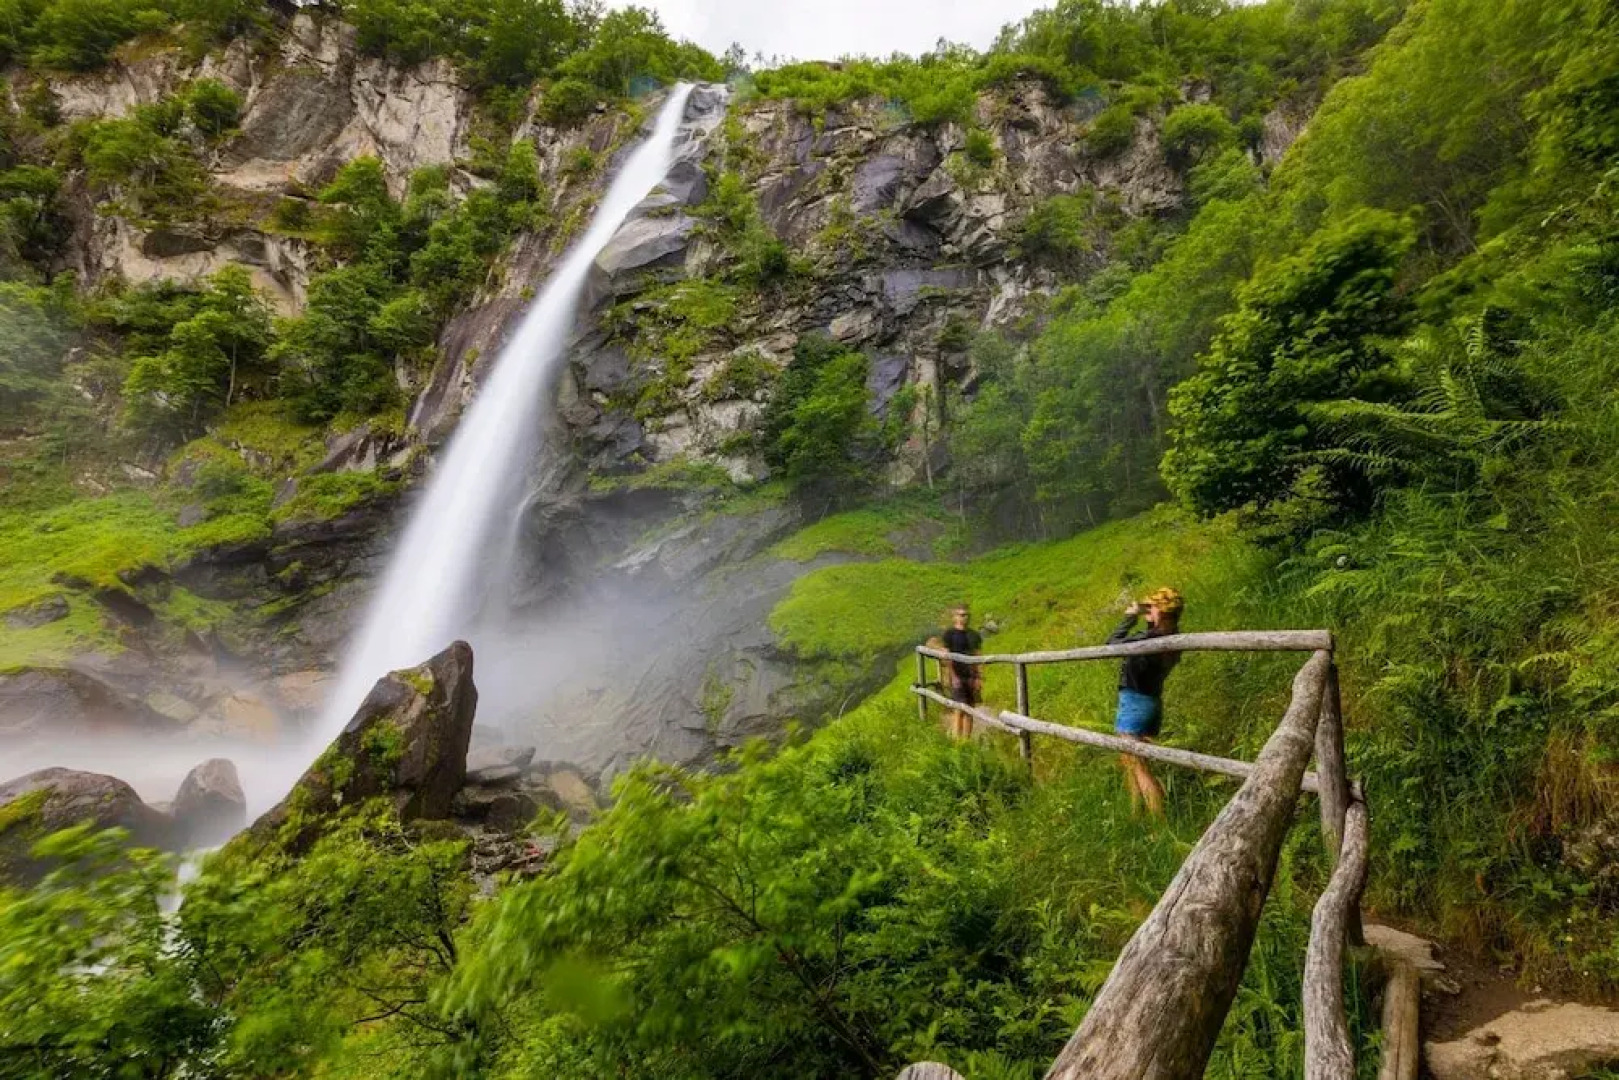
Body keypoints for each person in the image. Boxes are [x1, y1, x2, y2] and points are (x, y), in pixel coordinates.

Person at [1106, 587, 1183, 817]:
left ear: (1163, 611)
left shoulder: (1150, 639)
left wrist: (1130, 617)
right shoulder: (1171, 637)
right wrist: (1150, 618)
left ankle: (1159, 825)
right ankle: (1135, 814)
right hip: (1149, 701)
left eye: (1153, 606)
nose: (1148, 609)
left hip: (1135, 703)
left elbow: (1112, 644)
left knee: (1139, 768)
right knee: (1130, 762)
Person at [941, 604, 982, 740]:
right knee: (958, 708)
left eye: (967, 615)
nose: (965, 618)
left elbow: (977, 656)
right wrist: (953, 676)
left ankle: (966, 742)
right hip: (957, 675)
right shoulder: (949, 634)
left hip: (970, 676)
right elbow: (947, 657)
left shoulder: (974, 635)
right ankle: (956, 742)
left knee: (970, 709)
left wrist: (978, 677)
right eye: (961, 614)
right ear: (954, 617)